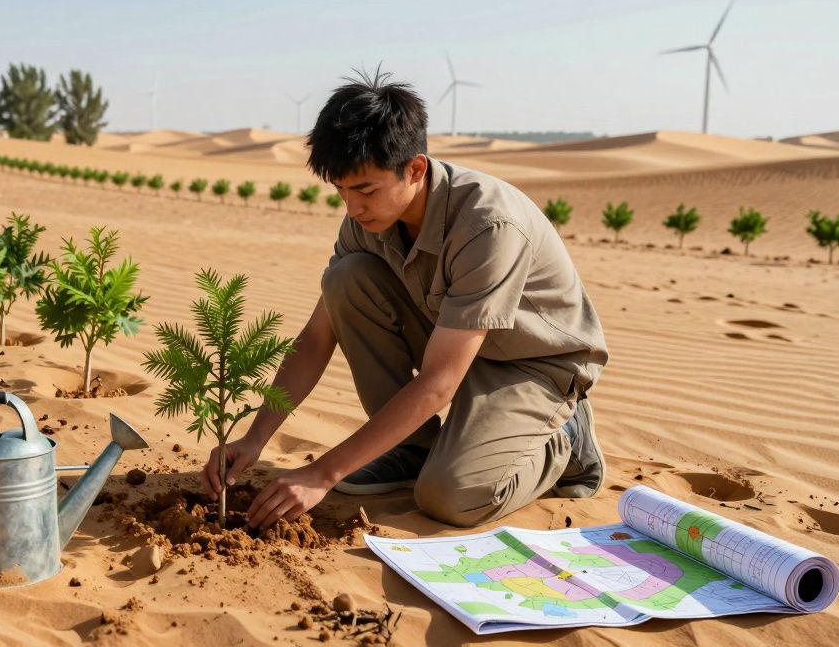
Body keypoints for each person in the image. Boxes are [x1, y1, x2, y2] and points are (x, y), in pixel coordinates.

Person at [202, 70, 609, 530]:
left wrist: (323, 472)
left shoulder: (487, 225)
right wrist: (255, 439)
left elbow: (438, 382)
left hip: (533, 365)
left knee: (452, 497)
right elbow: (317, 338)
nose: (351, 207)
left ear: (415, 168)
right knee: (346, 280)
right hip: (453, 344)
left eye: (365, 189)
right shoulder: (367, 220)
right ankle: (412, 449)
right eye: (340, 191)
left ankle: (565, 441)